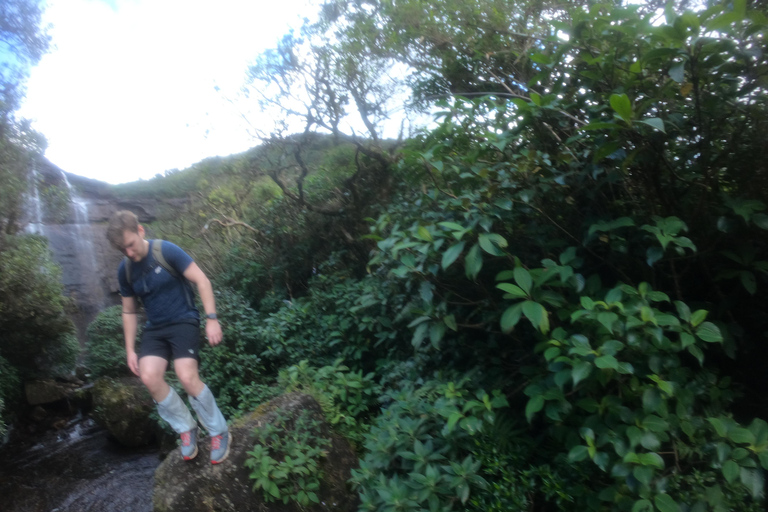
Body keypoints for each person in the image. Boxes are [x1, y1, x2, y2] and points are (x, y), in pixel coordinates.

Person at [106, 210, 231, 464]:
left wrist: (212, 318)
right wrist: (130, 350)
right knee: (149, 376)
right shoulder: (125, 270)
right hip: (155, 328)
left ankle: (219, 431)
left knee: (186, 376)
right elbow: (129, 310)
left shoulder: (166, 251)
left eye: (130, 245)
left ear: (141, 231)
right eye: (123, 250)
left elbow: (202, 280)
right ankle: (187, 428)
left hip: (183, 320)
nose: (129, 253)